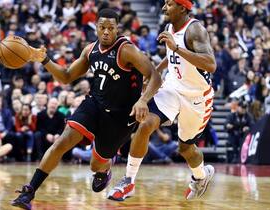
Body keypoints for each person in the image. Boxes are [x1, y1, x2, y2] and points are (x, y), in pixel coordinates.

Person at [11, 8, 161, 209]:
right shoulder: (90, 50)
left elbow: (155, 76)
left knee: (96, 164)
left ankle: (103, 170)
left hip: (120, 116)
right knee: (62, 141)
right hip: (94, 104)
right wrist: (43, 59)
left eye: (110, 28)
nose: (106, 32)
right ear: (96, 28)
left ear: (117, 29)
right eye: (102, 27)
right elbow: (65, 76)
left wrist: (143, 100)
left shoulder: (127, 50)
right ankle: (29, 191)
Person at [108, 0, 217, 201]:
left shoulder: (195, 30)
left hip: (197, 97)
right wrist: (156, 71)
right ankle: (128, 181)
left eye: (169, 4)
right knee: (145, 124)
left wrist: (176, 48)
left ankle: (201, 176)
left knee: (185, 148)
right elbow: (172, 54)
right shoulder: (169, 27)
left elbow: (211, 64)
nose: (164, 8)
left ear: (183, 7)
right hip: (172, 88)